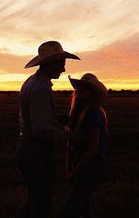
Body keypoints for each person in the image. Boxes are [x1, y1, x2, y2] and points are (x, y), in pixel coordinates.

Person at [16, 41, 80, 218]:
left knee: (35, 198)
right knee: (41, 203)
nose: (63, 69)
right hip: (37, 152)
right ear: (50, 64)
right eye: (61, 64)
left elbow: (35, 118)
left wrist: (57, 120)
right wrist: (69, 137)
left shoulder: (32, 83)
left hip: (27, 149)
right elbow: (40, 129)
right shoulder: (41, 88)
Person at [62, 73, 108, 218]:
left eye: (86, 88)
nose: (81, 91)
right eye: (80, 87)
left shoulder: (93, 113)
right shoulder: (80, 111)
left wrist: (76, 170)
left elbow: (93, 147)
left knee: (73, 207)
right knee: (81, 205)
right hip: (82, 162)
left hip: (90, 165)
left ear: (93, 93)